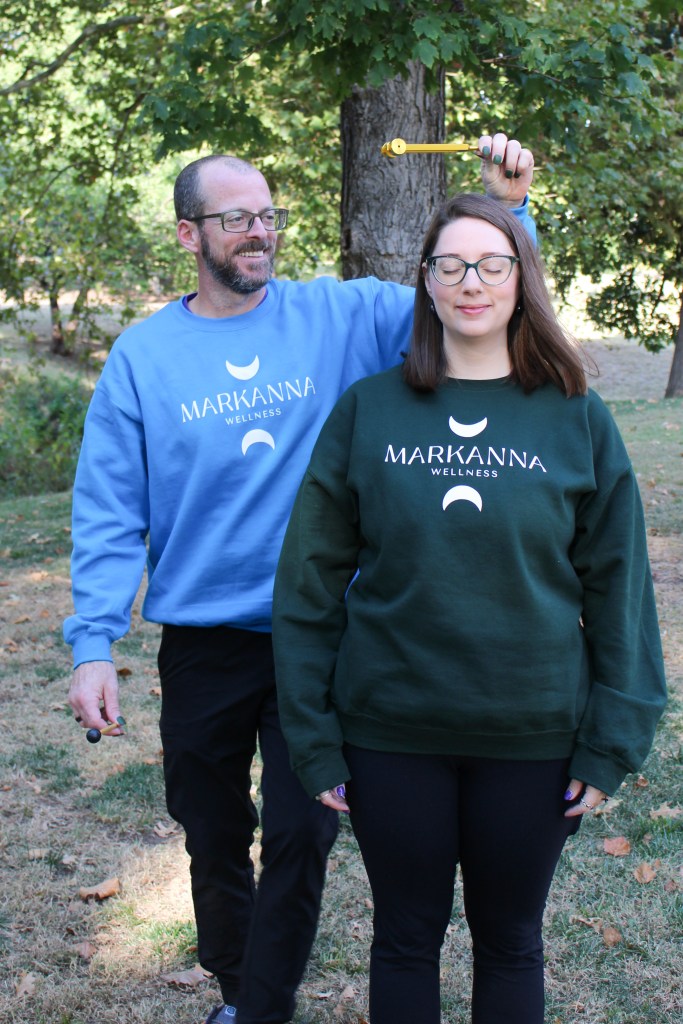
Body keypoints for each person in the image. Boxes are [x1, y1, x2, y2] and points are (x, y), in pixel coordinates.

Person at [65, 136, 536, 1024]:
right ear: (187, 234)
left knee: (299, 831)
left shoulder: (337, 316)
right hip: (203, 639)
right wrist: (94, 642)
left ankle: (261, 1010)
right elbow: (108, 508)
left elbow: (472, 296)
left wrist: (507, 210)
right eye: (235, 218)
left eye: (267, 215)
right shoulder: (143, 357)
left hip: (318, 636)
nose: (258, 231)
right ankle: (237, 985)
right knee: (211, 832)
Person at [272, 193, 668, 1024]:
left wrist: (611, 739)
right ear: (425, 281)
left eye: (491, 264)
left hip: (532, 733)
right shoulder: (369, 410)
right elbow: (308, 584)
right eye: (449, 265)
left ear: (521, 279)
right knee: (403, 939)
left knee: (511, 941)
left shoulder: (574, 415)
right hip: (389, 731)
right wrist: (312, 736)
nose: (470, 282)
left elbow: (619, 585)